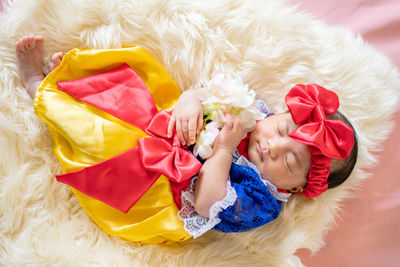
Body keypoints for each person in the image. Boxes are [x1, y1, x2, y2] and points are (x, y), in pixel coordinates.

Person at [16, 36, 358, 242]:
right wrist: (190, 101)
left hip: (159, 186)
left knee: (103, 139)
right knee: (136, 81)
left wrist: (224, 150)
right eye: (283, 131)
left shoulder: (261, 202)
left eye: (289, 160)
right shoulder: (251, 114)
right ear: (279, 115)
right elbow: (207, 92)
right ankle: (70, 79)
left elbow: (208, 202)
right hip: (164, 122)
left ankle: (38, 90)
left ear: (298, 187)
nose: (274, 146)